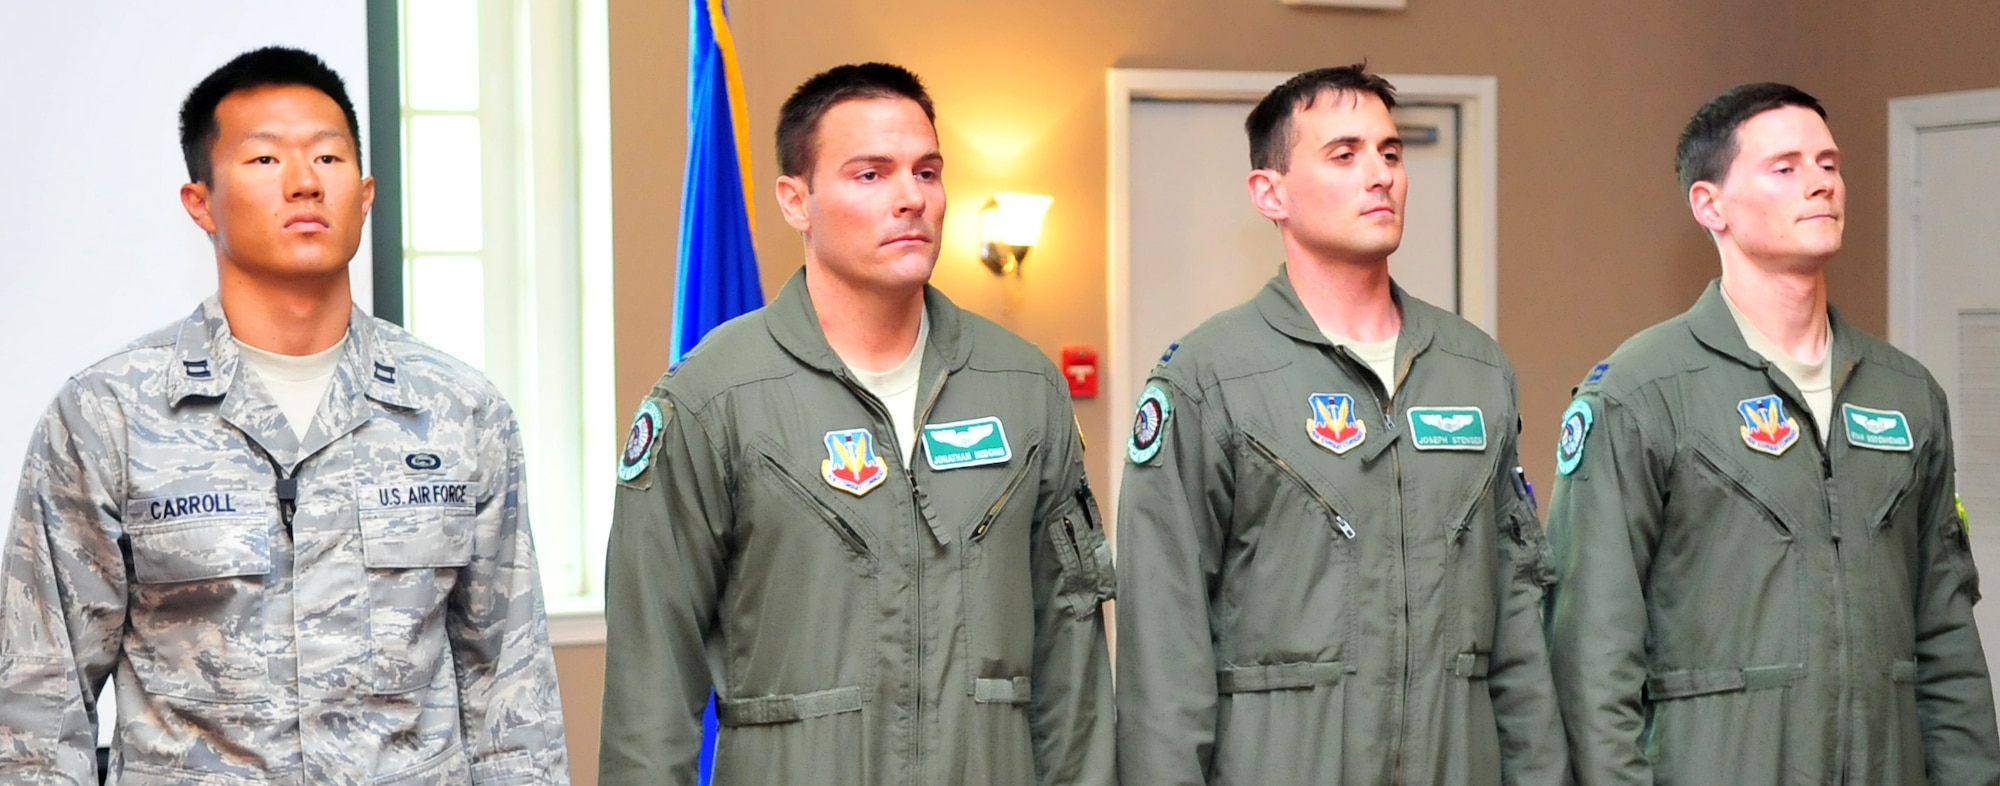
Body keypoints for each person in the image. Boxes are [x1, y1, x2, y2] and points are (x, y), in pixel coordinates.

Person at [0, 46, 570, 783]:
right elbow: (40, 704)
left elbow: (510, 694)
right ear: (200, 202)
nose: (304, 183)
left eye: (328, 159)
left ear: (365, 195)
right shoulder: (108, 415)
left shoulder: (459, 412)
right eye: (265, 161)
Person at [598, 62, 1116, 786]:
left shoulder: (1023, 388)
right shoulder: (714, 398)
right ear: (796, 200)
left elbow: (1073, 665)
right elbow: (650, 694)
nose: (911, 198)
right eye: (871, 175)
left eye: (927, 172)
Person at [1113, 64, 1565, 785]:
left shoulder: (1475, 369)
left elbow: (1515, 617)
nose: (1380, 175)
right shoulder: (1209, 377)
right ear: (1271, 193)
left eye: (1390, 153)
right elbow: (1162, 651)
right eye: (1344, 154)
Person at [1545, 82, 2000, 784]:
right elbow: (1590, 656)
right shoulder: (1641, 392)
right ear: (1710, 205)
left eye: (1828, 164)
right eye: (1785, 168)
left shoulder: (1907, 395)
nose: (1820, 185)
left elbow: (1945, 636)